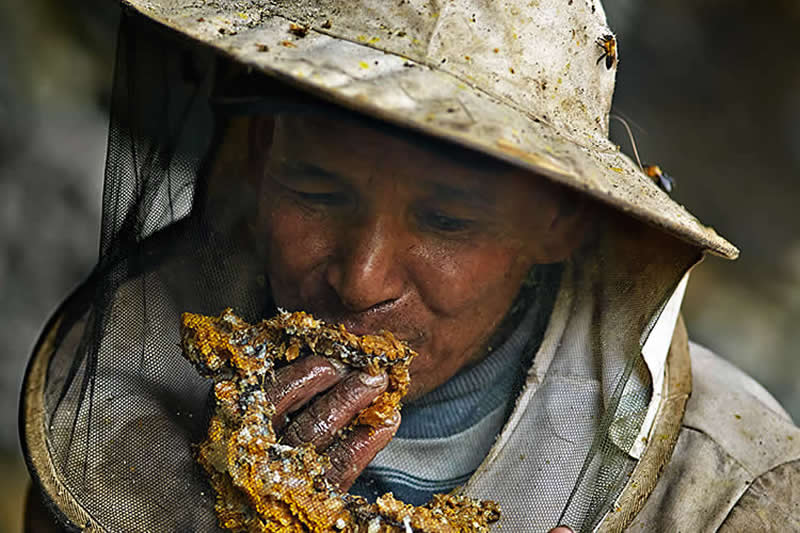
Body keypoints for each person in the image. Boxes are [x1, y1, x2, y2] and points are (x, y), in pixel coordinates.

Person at [20, 0, 800, 531]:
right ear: (258, 159)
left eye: (448, 220)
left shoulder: (723, 488)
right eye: (317, 190)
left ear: (561, 221)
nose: (362, 278)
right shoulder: (120, 399)